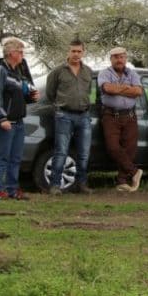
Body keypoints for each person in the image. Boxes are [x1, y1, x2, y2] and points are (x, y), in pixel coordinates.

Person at [0, 37, 39, 200]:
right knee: (2, 157)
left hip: (19, 122)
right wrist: (2, 118)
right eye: (20, 51)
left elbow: (20, 97)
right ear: (11, 53)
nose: (22, 54)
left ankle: (12, 189)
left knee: (16, 158)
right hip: (6, 123)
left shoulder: (17, 73)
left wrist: (31, 97)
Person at [44, 39, 94, 195]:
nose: (76, 54)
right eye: (73, 51)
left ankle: (81, 184)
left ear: (83, 52)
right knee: (61, 151)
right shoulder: (58, 71)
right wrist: (60, 107)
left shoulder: (88, 71)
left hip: (84, 116)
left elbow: (89, 91)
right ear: (68, 51)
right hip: (64, 115)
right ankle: (55, 185)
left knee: (84, 153)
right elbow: (50, 93)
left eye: (79, 51)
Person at [98, 47, 145, 192]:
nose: (119, 60)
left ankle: (122, 181)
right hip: (110, 116)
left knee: (129, 149)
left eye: (122, 57)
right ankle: (135, 172)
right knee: (112, 147)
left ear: (126, 58)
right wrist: (126, 88)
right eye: (116, 57)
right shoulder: (104, 73)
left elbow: (138, 91)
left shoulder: (132, 73)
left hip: (130, 116)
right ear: (111, 59)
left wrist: (118, 88)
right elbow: (107, 89)